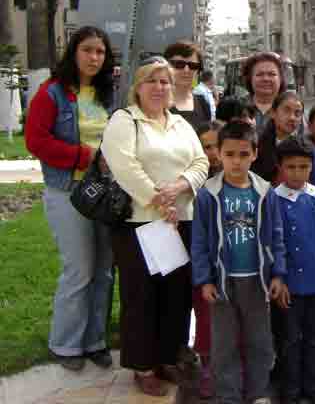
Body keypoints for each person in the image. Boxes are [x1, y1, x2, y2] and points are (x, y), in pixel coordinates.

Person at [102, 56, 209, 397]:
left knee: (176, 297)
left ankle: (168, 358)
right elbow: (124, 166)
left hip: (182, 222)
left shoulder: (179, 123)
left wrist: (180, 187)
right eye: (152, 81)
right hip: (140, 224)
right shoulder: (124, 120)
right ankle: (143, 365)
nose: (160, 88)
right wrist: (159, 200)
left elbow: (202, 160)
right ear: (138, 86)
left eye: (165, 82)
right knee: (142, 297)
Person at [24, 26, 117, 371]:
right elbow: (36, 141)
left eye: (101, 52)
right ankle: (66, 344)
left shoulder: (109, 93)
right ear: (74, 52)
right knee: (79, 270)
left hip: (106, 195)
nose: (94, 58)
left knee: (105, 271)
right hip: (69, 192)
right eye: (88, 50)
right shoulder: (52, 93)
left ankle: (95, 341)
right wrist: (84, 156)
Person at [192, 121, 286, 404]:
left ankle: (258, 393)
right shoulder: (208, 194)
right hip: (222, 282)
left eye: (243, 154)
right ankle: (228, 395)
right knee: (224, 345)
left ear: (254, 154)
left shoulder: (265, 192)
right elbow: (199, 241)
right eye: (230, 154)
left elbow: (277, 236)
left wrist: (278, 274)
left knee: (260, 342)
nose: (236, 161)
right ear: (218, 154)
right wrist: (205, 279)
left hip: (257, 281)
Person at [270, 137, 315, 404]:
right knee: (289, 340)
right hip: (289, 285)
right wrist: (279, 278)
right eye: (291, 167)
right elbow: (273, 241)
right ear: (281, 168)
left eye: (303, 167)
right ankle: (290, 390)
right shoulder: (273, 199)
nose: (297, 172)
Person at [192, 119, 225, 398]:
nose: (212, 153)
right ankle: (207, 366)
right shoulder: (195, 184)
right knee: (205, 317)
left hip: (236, 265)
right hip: (205, 263)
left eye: (216, 146)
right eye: (205, 147)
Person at [252, 91, 305, 184]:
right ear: (273, 113)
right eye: (286, 111)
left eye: (297, 113)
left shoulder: (306, 147)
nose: (292, 118)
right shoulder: (257, 146)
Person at [165, 41, 212, 130]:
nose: (186, 70)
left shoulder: (203, 103)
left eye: (193, 65)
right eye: (179, 64)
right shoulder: (157, 101)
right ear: (167, 66)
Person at [242, 52, 287, 132]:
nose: (266, 79)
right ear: (250, 79)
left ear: (281, 79)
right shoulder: (238, 107)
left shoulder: (292, 109)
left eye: (272, 74)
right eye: (259, 74)